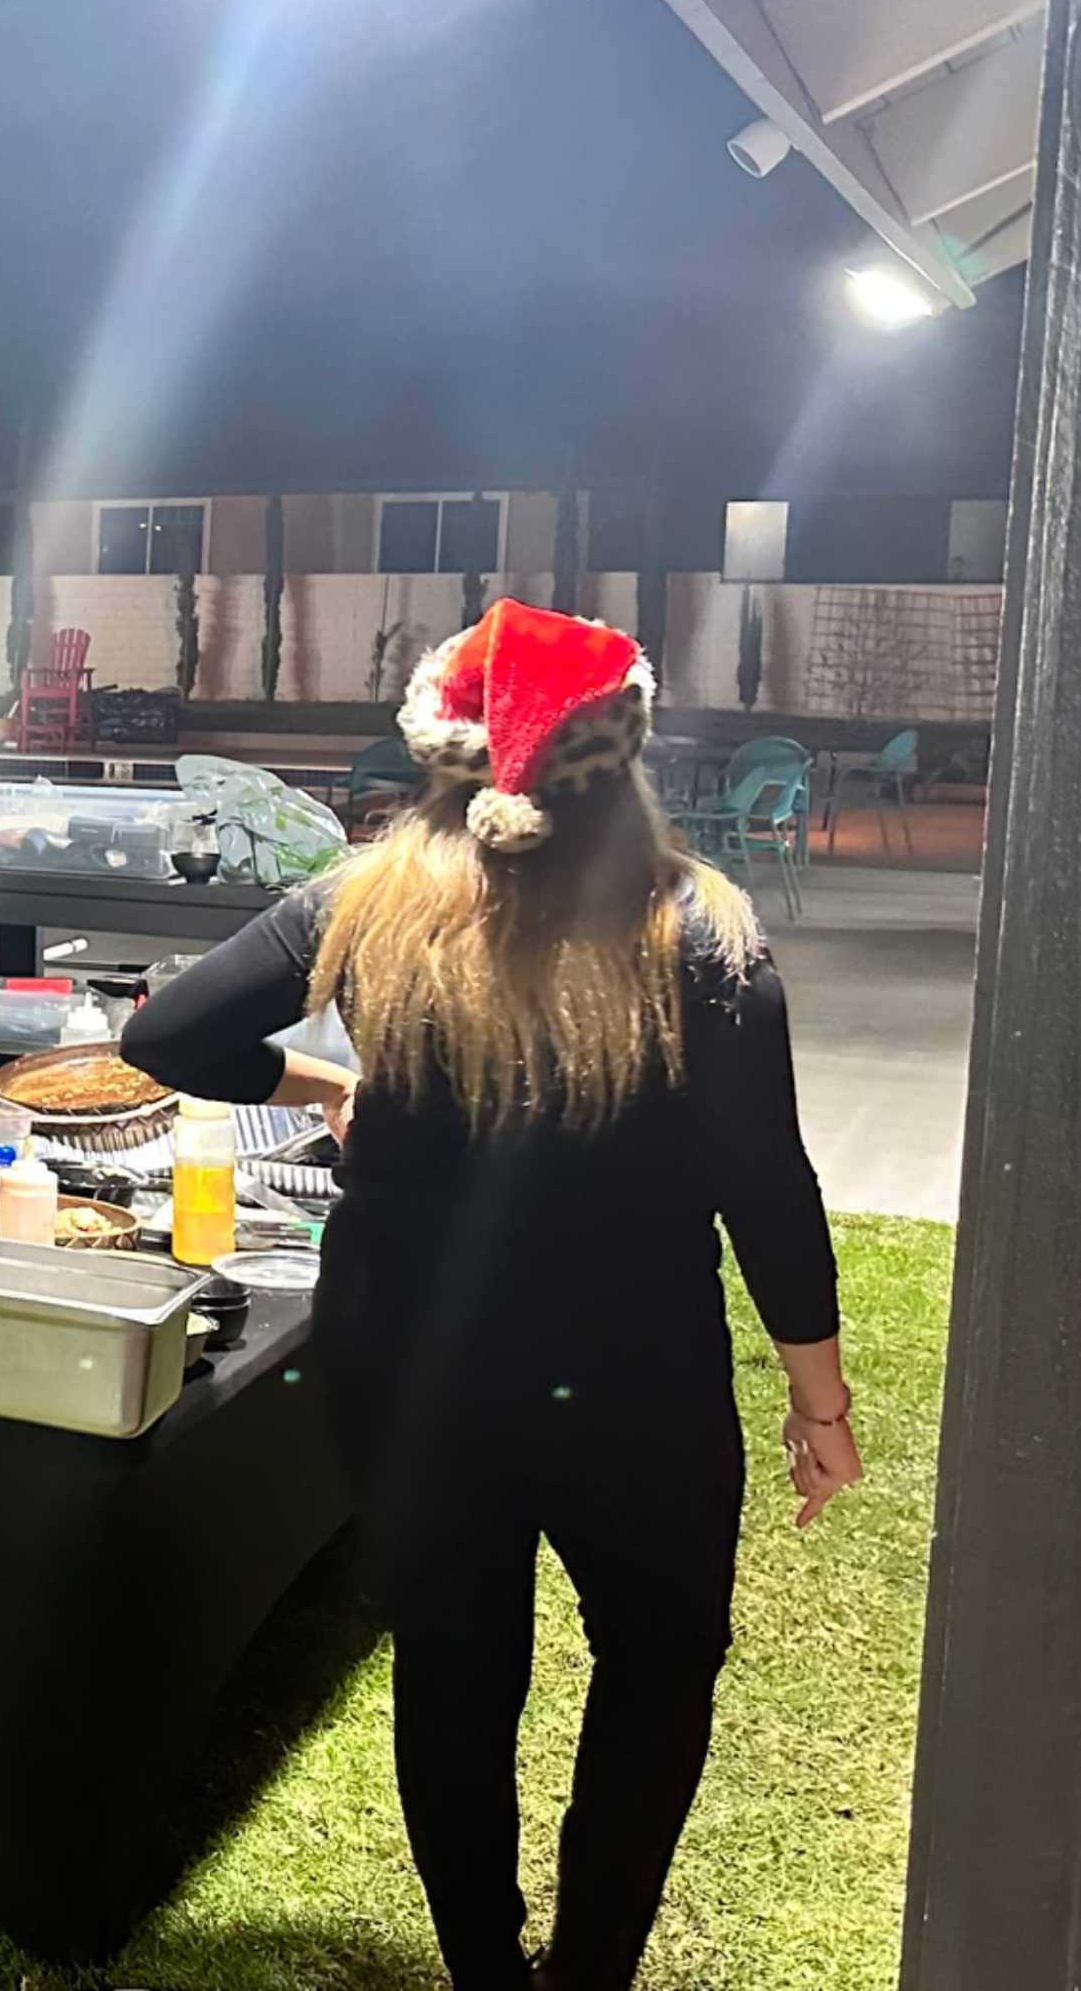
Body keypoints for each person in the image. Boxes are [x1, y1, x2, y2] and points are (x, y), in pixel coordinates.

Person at [120, 600, 861, 1991]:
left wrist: (319, 1082)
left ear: (442, 758)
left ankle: (484, 1975)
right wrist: (818, 1404)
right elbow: (768, 1185)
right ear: (627, 755)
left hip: (410, 1367)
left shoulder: (368, 899)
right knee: (658, 1666)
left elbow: (165, 1031)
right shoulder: (702, 930)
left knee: (455, 1668)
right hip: (635, 1385)